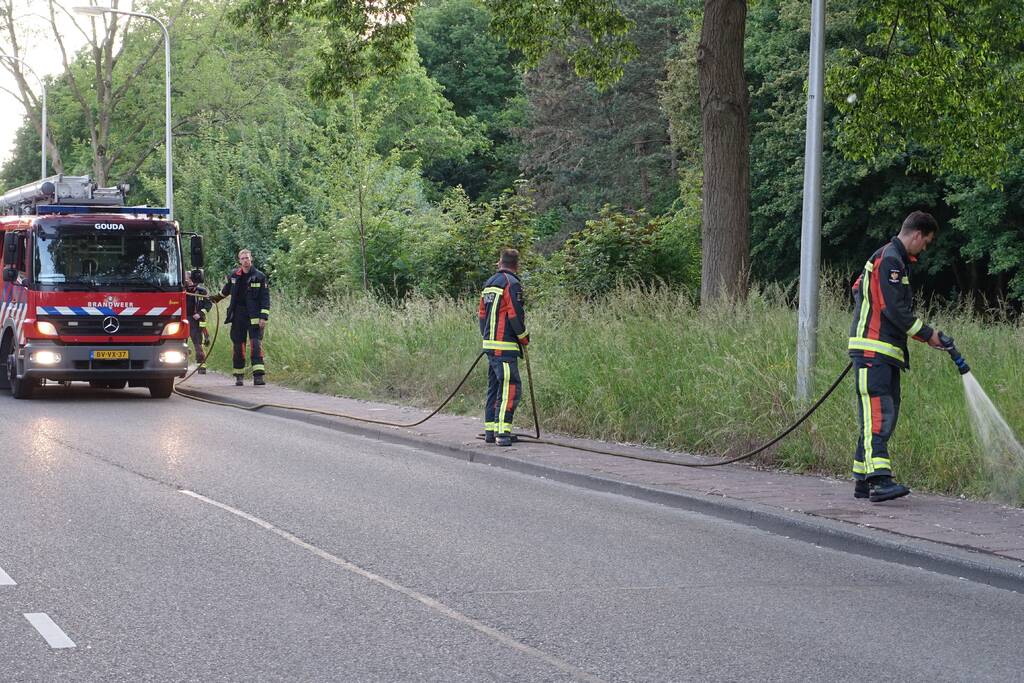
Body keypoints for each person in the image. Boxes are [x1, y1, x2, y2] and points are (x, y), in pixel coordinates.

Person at [848, 211, 945, 502]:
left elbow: (858, 288)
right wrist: (929, 335)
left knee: (883, 415)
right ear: (916, 235)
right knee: (878, 414)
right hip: (873, 352)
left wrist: (868, 313)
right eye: (925, 242)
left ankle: (863, 480)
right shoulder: (890, 259)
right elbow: (894, 309)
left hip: (881, 352)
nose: (924, 248)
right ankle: (879, 482)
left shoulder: (891, 258)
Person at [479, 248, 529, 446]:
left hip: (490, 347)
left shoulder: (489, 284)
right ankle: (503, 434)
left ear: (500, 263)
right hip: (505, 347)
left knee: (494, 388)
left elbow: (482, 316)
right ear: (516, 265)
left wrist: (487, 339)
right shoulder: (512, 284)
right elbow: (515, 314)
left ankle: (490, 431)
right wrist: (524, 338)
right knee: (510, 388)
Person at [211, 248, 270, 386]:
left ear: (251, 259)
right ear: (239, 260)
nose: (245, 260)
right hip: (238, 315)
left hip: (254, 316)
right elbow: (226, 290)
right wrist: (215, 298)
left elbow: (265, 298)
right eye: (243, 258)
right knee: (238, 346)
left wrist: (263, 317)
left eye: (247, 257)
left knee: (256, 345)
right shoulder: (234, 276)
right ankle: (239, 376)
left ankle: (258, 376)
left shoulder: (260, 276)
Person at [184, 272, 211, 374]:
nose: (184, 279)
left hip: (196, 321)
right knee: (181, 343)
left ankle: (201, 366)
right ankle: (182, 365)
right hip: (183, 320)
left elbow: (208, 304)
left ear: (191, 279)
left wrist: (200, 314)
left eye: (185, 277)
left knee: (198, 344)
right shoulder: (182, 290)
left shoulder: (201, 291)